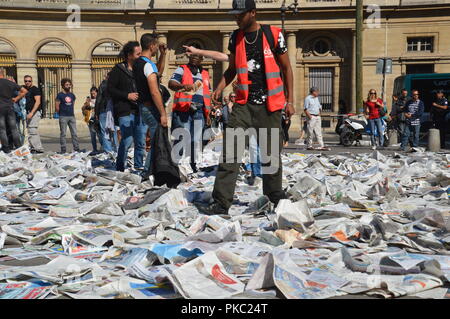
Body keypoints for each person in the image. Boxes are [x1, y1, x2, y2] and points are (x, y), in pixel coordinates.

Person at [196, 0, 295, 215]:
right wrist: (220, 87)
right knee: (231, 152)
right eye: (235, 14)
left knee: (270, 156)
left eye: (240, 14)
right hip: (242, 104)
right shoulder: (235, 37)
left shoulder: (273, 35)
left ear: (252, 13)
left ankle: (274, 196)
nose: (236, 17)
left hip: (270, 105)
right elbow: (232, 68)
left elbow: (287, 68)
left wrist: (290, 101)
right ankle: (221, 203)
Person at [169, 48, 212, 173]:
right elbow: (171, 84)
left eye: (197, 56)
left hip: (199, 111)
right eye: (192, 56)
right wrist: (182, 86)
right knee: (182, 138)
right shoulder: (182, 69)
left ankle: (192, 166)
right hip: (184, 110)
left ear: (201, 59)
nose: (194, 58)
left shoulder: (204, 74)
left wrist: (208, 113)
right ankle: (174, 166)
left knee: (195, 141)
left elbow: (207, 94)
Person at [133, 33, 168, 179]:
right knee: (156, 141)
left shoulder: (139, 63)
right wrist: (163, 113)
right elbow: (154, 91)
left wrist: (163, 55)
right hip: (150, 107)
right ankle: (147, 172)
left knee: (156, 139)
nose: (157, 48)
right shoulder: (147, 64)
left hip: (143, 107)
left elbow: (157, 72)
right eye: (156, 45)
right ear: (152, 45)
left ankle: (150, 170)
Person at [108, 41, 145, 172]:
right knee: (127, 140)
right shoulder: (118, 69)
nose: (140, 56)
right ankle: (120, 167)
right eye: (138, 54)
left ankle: (139, 167)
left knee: (141, 141)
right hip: (124, 110)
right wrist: (127, 95)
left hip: (139, 110)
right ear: (129, 55)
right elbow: (110, 89)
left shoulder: (140, 70)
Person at [0, 68, 27, 153]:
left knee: (2, 129)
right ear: (3, 73)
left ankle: (6, 148)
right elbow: (24, 91)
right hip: (10, 108)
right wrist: (16, 98)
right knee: (14, 128)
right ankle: (18, 146)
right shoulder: (10, 83)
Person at [95, 73, 118, 153]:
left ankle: (108, 150)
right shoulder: (116, 85)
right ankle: (116, 148)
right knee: (114, 130)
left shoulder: (103, 85)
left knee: (104, 131)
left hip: (103, 110)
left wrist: (96, 112)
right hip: (112, 110)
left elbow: (98, 99)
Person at [55, 78, 80, 153]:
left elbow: (73, 104)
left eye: (69, 84)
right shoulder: (60, 95)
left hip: (72, 116)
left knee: (74, 133)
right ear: (63, 85)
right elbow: (57, 106)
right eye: (66, 84)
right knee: (63, 134)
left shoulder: (72, 95)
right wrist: (60, 114)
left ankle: (76, 148)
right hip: (63, 116)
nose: (68, 86)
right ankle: (63, 149)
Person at [23, 75, 44, 153]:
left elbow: (38, 101)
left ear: (32, 81)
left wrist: (32, 113)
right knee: (28, 131)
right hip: (27, 112)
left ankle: (38, 148)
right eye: (26, 81)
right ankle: (33, 147)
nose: (27, 82)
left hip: (34, 112)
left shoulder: (35, 89)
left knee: (32, 129)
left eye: (29, 81)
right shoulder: (24, 89)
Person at [82, 86, 100, 154]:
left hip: (97, 119)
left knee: (100, 135)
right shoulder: (89, 100)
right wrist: (86, 104)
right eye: (91, 93)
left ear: (97, 93)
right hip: (91, 119)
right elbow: (83, 108)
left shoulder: (99, 100)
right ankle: (95, 149)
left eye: (94, 93)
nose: (93, 95)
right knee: (93, 135)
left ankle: (104, 148)